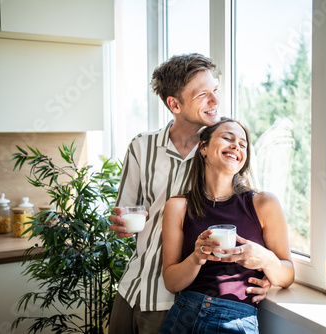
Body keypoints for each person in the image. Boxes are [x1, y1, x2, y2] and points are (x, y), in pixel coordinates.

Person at [108, 54, 271, 333]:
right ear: (175, 103)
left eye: (215, 92)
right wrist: (119, 224)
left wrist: (266, 270)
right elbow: (125, 213)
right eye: (203, 94)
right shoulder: (141, 146)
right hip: (132, 288)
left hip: (176, 302)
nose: (215, 101)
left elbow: (250, 215)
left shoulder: (225, 152)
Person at [159, 118, 294, 334]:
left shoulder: (264, 203)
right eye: (227, 138)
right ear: (203, 147)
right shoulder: (178, 206)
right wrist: (196, 257)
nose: (236, 146)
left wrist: (264, 259)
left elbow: (287, 274)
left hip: (236, 320)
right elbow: (172, 283)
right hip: (184, 316)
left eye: (243, 144)